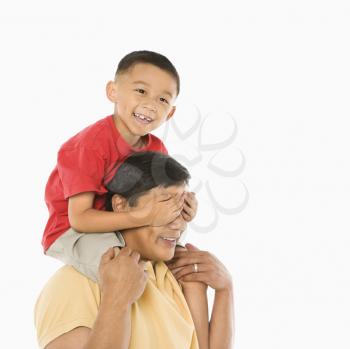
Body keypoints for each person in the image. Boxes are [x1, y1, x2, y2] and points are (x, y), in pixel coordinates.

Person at [34, 152, 234, 349]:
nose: (177, 225)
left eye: (182, 209)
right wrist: (116, 300)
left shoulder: (171, 277)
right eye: (164, 210)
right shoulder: (75, 284)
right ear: (121, 205)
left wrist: (225, 289)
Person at [42, 50, 198, 281]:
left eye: (162, 99)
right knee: (122, 269)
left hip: (124, 223)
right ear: (113, 91)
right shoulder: (88, 147)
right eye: (141, 91)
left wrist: (183, 209)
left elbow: (155, 203)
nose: (151, 104)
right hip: (74, 231)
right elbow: (80, 218)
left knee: (184, 264)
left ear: (171, 112)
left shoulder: (156, 149)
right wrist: (143, 216)